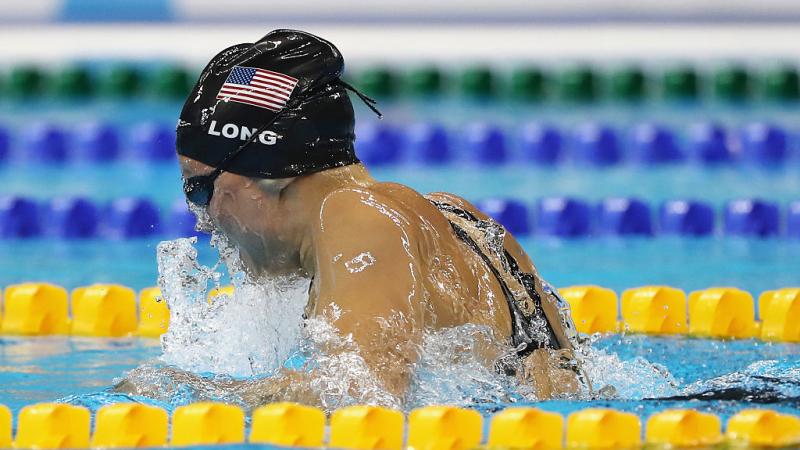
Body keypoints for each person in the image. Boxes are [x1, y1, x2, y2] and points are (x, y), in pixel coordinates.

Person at [117, 29, 588, 407]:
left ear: (268, 174)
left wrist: (183, 394)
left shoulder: (357, 216)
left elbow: (363, 399)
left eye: (200, 188)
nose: (203, 221)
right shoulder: (453, 215)